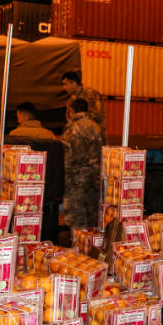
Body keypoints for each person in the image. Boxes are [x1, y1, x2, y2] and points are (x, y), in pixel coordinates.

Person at [60, 98, 103, 231]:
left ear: (71, 111)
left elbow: (66, 159)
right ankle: (93, 248)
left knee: (77, 221)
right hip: (95, 180)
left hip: (76, 182)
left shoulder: (71, 129)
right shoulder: (97, 128)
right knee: (93, 219)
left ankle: (78, 247)